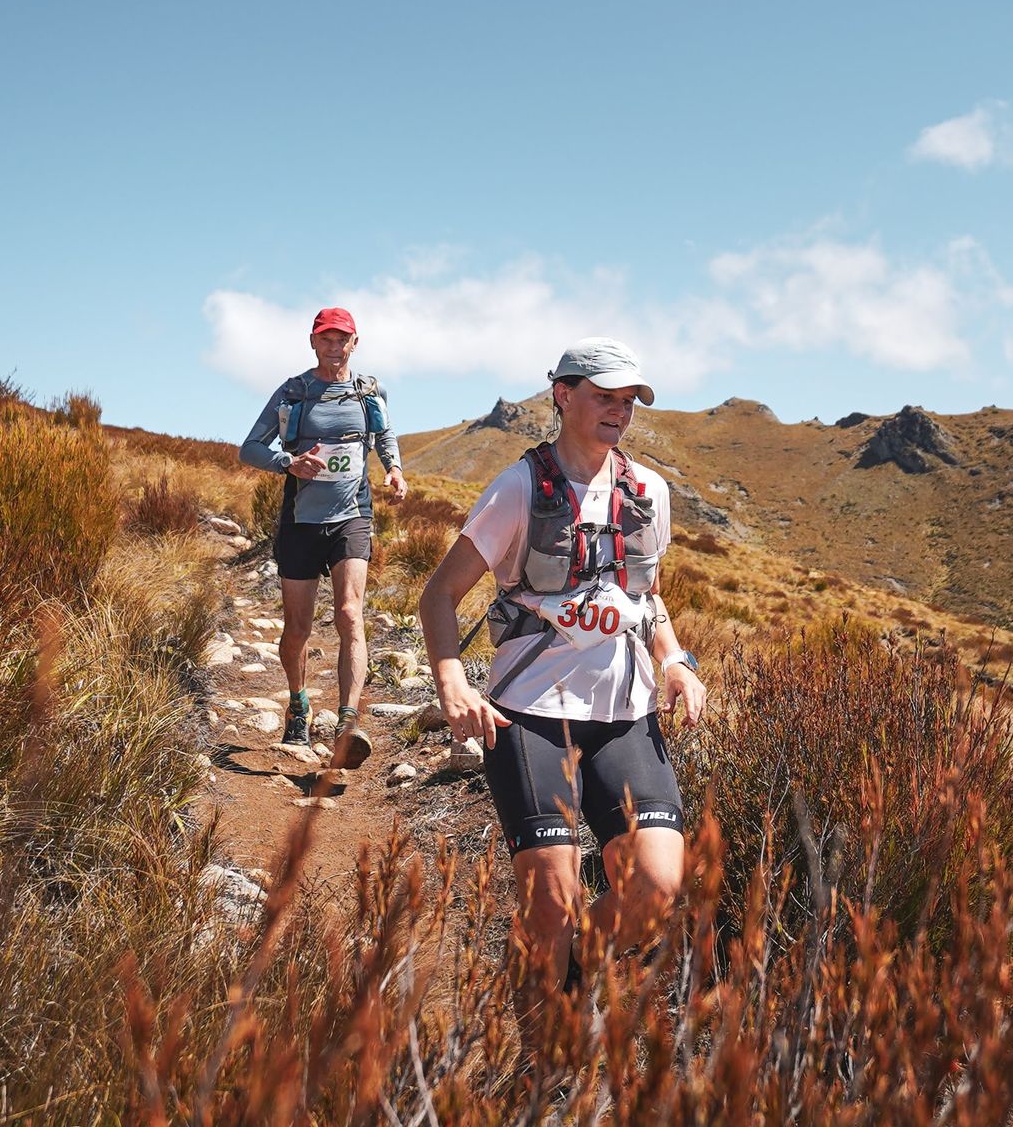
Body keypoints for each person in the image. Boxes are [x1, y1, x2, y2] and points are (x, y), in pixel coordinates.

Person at [419, 336, 706, 992]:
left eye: (629, 399)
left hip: (625, 717)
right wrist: (453, 681)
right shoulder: (518, 488)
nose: (619, 410)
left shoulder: (648, 492)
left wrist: (675, 662)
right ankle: (546, 1064)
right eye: (604, 396)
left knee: (657, 888)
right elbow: (439, 593)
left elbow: (644, 598)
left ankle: (566, 968)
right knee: (550, 903)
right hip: (530, 719)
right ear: (563, 394)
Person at [239, 306, 406, 767]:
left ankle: (348, 723)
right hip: (301, 521)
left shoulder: (369, 391)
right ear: (313, 343)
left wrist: (393, 469)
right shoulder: (294, 392)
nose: (334, 348)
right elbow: (249, 448)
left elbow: (384, 435)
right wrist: (287, 463)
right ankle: (298, 704)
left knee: (351, 612)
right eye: (326, 339)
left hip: (352, 515)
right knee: (298, 628)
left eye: (342, 340)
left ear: (356, 343)